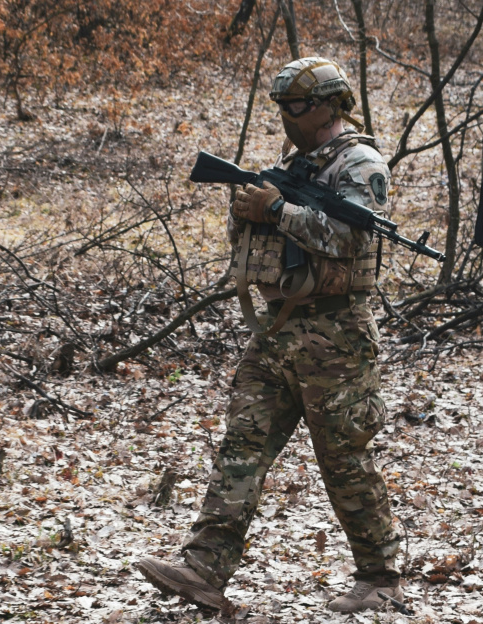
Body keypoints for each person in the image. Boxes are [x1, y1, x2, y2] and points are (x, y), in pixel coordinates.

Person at [137, 57, 401, 614]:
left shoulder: (360, 162)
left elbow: (349, 239)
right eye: (281, 105)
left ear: (330, 104)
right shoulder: (296, 163)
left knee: (344, 458)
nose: (287, 115)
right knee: (242, 445)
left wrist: (276, 208)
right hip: (279, 330)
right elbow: (266, 234)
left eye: (297, 105)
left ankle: (380, 576)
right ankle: (204, 568)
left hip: (337, 337)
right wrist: (253, 211)